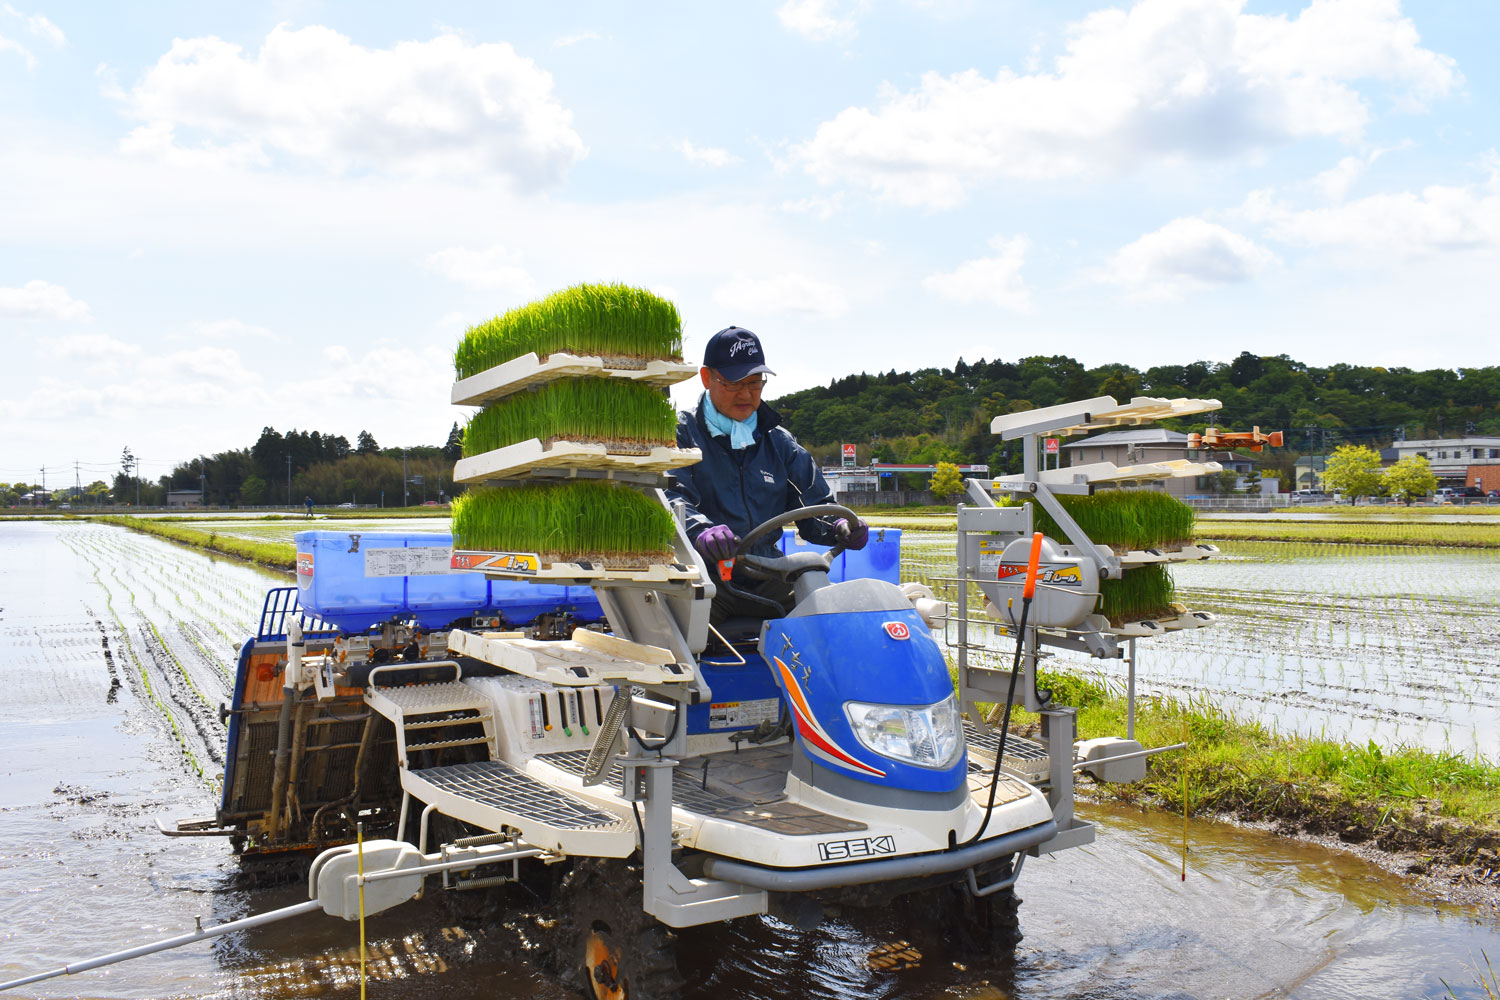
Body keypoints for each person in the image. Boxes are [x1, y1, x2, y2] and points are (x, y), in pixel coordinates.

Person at [666, 326, 868, 621]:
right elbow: (671, 498)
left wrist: (840, 526)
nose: (747, 394)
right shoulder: (680, 434)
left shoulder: (779, 442)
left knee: (827, 618)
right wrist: (700, 531)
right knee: (687, 626)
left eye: (755, 383)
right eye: (735, 383)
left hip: (768, 575)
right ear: (707, 377)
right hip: (702, 576)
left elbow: (814, 507)